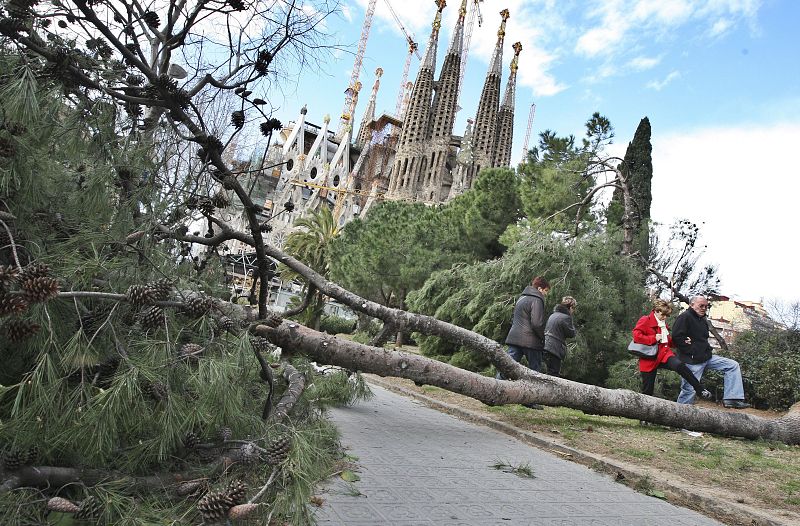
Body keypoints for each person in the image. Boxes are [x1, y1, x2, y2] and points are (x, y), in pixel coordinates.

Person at [671, 295, 750, 409]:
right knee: (689, 390)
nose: (704, 308)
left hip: (707, 358)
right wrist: (691, 350)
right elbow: (676, 337)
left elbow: (702, 339)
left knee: (732, 365)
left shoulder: (702, 320)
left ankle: (731, 399)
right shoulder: (684, 317)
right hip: (692, 361)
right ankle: (678, 419)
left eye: (706, 306)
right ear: (692, 305)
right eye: (701, 305)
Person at [632, 299, 711, 400]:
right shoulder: (645, 320)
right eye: (663, 315)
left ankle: (700, 389)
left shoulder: (663, 323)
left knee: (680, 365)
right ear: (656, 311)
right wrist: (653, 338)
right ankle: (643, 412)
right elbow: (636, 336)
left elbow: (668, 341)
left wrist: (682, 341)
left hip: (664, 355)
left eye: (666, 316)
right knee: (647, 391)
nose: (665, 318)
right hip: (649, 358)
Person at [499, 276, 550, 377]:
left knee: (506, 368)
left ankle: (496, 387)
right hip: (531, 342)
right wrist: (542, 338)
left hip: (514, 339)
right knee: (535, 372)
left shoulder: (521, 298)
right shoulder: (537, 299)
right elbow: (536, 324)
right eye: (546, 290)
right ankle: (534, 392)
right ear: (540, 289)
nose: (546, 293)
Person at [543, 296, 577, 376]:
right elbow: (571, 333)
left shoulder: (553, 315)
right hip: (555, 349)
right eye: (573, 308)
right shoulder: (566, 318)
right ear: (571, 307)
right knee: (554, 374)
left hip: (545, 345)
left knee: (546, 372)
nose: (573, 311)